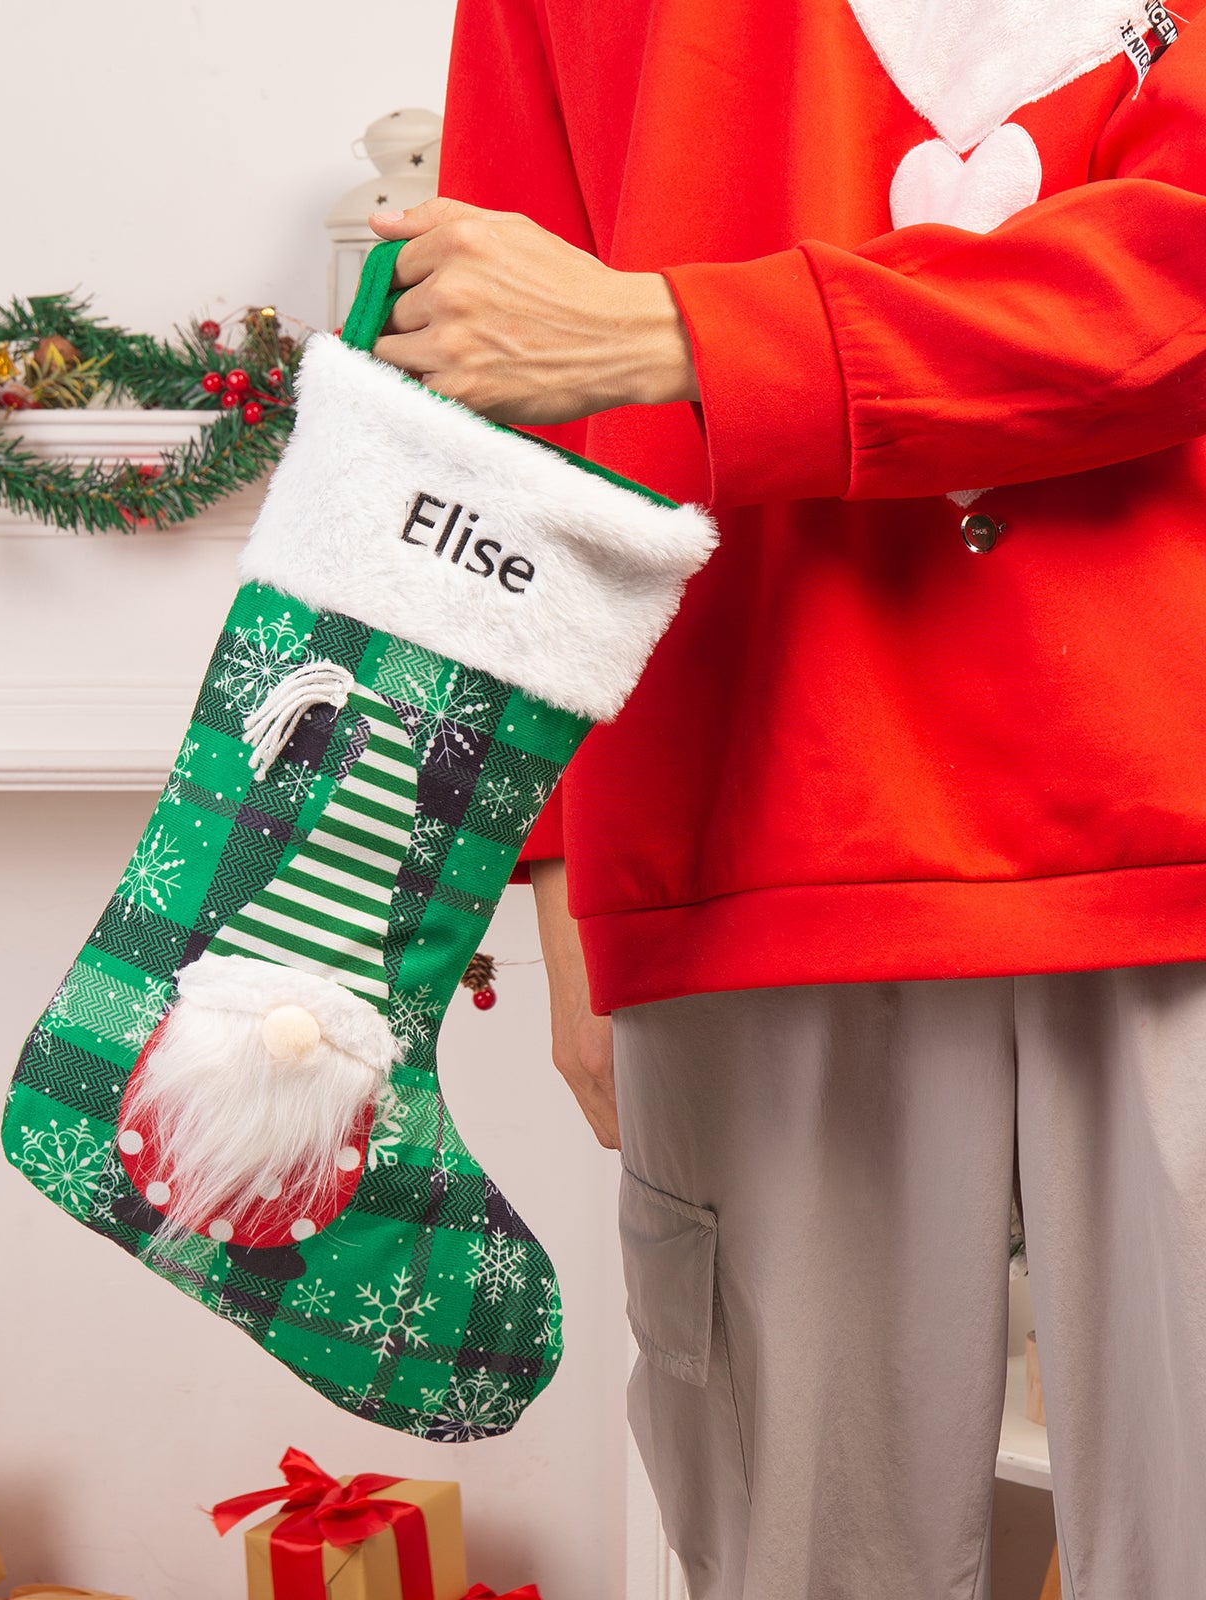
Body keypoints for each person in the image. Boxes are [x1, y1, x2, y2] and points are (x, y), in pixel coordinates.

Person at [365, 3, 1206, 1597]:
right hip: (744, 799)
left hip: (1175, 793)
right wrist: (556, 874)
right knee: (807, 1558)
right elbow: (493, 384)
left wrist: (676, 334)